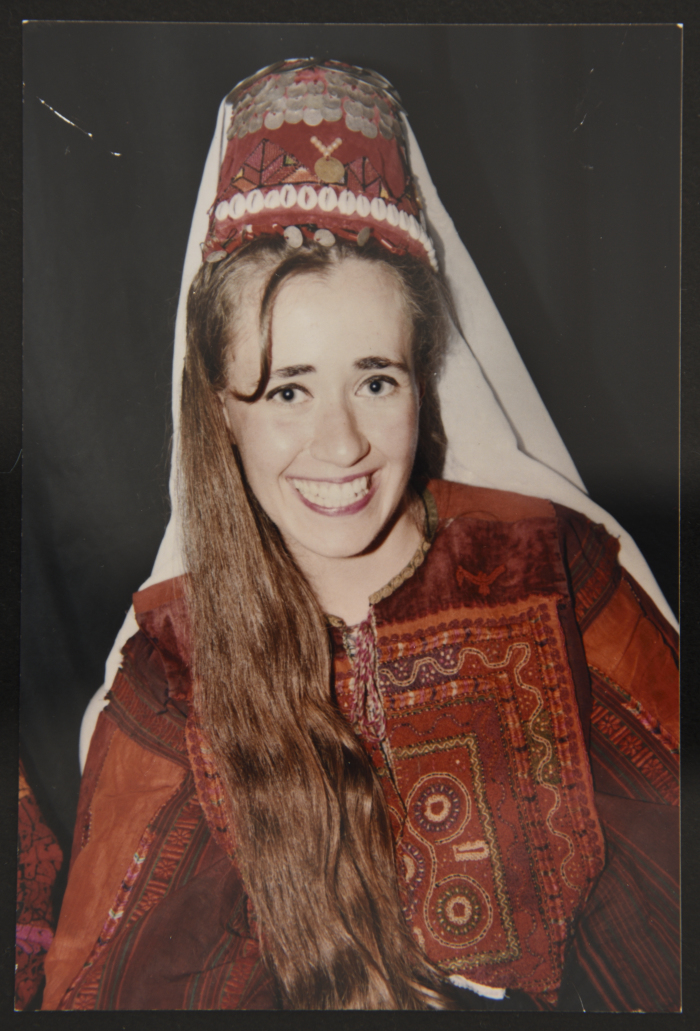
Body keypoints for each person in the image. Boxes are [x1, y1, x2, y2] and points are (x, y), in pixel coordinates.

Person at [36, 58, 678, 1012]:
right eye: (288, 387)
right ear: (222, 409)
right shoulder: (171, 674)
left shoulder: (551, 572)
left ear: (425, 377)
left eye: (376, 379)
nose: (341, 445)